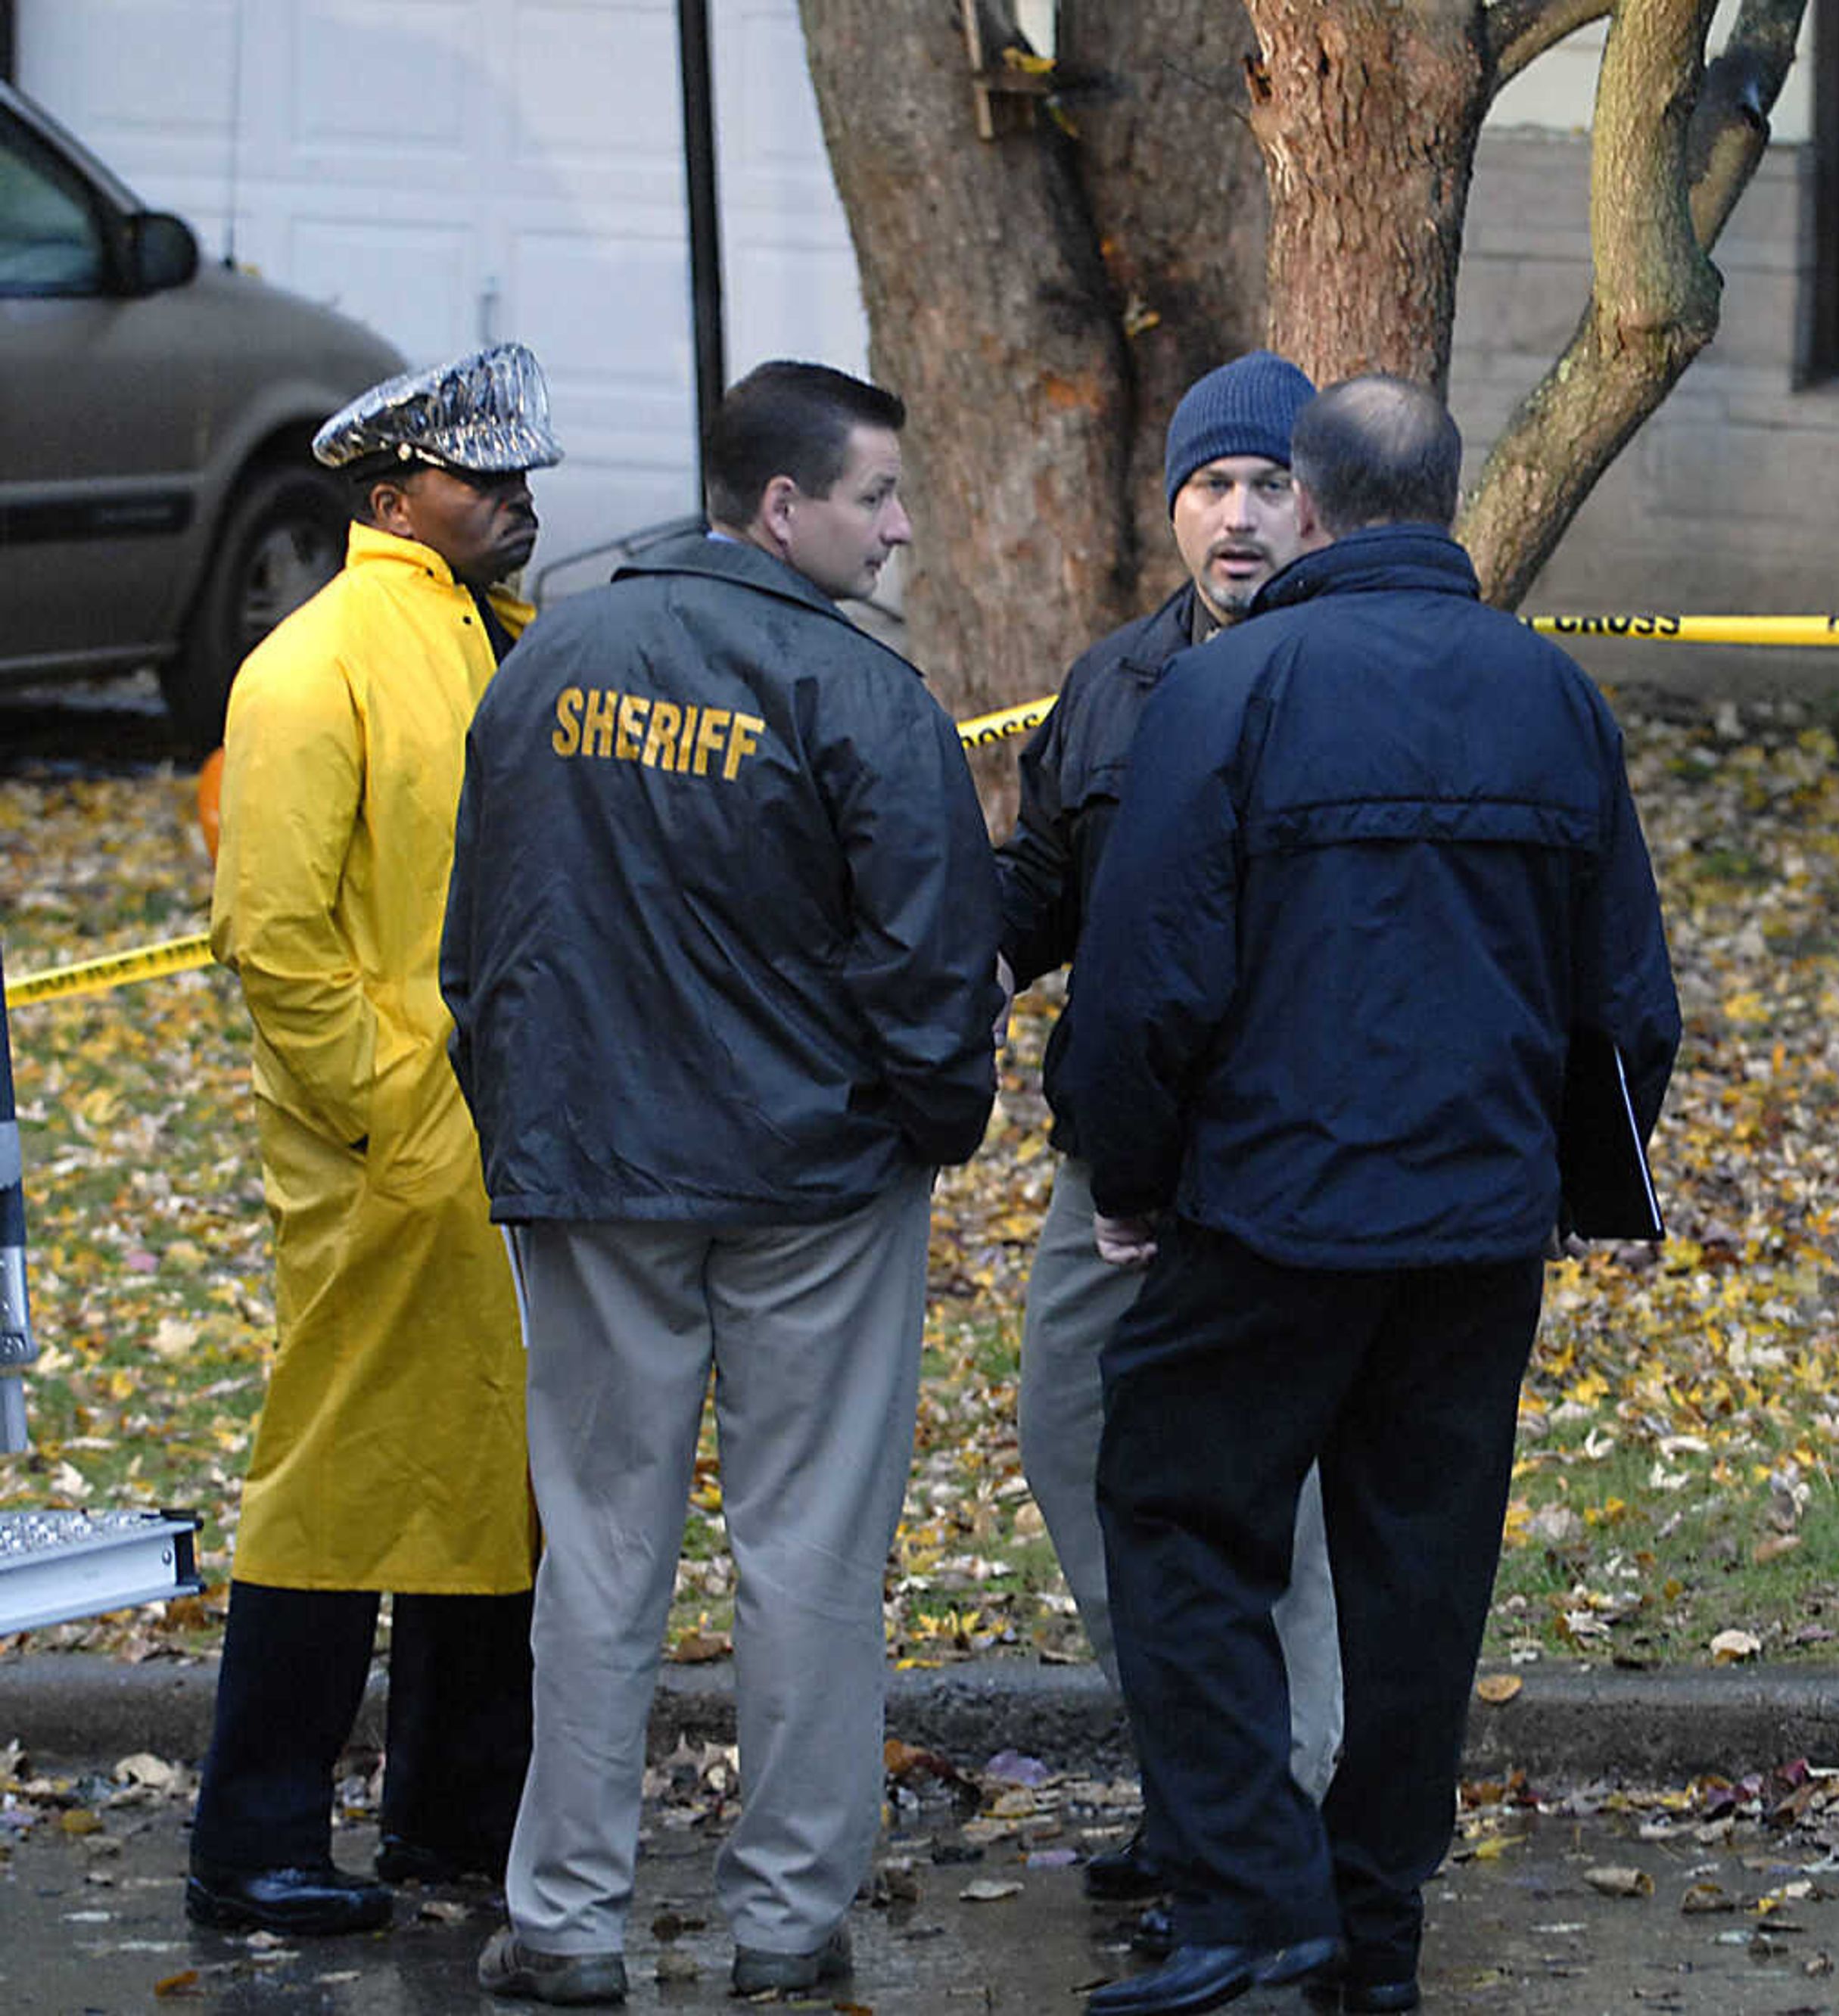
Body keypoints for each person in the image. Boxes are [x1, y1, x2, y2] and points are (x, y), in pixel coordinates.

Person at [1066, 375, 1682, 2016]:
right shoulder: (1553, 698)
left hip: (1268, 1214)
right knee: (1421, 1583)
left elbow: (1140, 985)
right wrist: (1563, 1183)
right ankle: (1368, 1931)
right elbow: (1628, 1002)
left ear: (1315, 506)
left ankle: (1252, 1907)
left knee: (1181, 1525)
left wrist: (1130, 1176)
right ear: (1450, 497)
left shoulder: (1236, 691)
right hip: (1475, 1232)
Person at [439, 360, 1005, 2006]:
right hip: (814, 1185)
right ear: (781, 506)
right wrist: (928, 1124)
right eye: (876, 499)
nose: (899, 531)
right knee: (811, 1552)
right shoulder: (861, 693)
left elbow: (483, 940)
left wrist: (525, 1119)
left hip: (599, 1177)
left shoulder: (549, 664)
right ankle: (785, 1921)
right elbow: (931, 956)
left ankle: (564, 1920)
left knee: (602, 1549)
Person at [188, 341, 560, 1940]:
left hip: (495, 1148)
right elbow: (272, 941)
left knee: (492, 1483)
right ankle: (253, 1840)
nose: (519, 501)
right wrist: (402, 1115)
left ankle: (456, 1826)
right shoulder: (312, 666)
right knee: (338, 1487)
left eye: (524, 475)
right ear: (396, 491)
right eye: (488, 478)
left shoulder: (499, 638)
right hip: (394, 1158)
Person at [994, 350, 1344, 1912]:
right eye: (1212, 485)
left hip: (1281, 1166)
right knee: (1073, 1433)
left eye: (1272, 484)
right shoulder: (1111, 681)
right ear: (1173, 508)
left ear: (1317, 503)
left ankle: (1289, 1803)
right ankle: (1201, 1768)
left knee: (1286, 1491)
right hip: (1112, 1154)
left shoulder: (1356, 674)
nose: (1241, 517)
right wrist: (950, 955)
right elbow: (1043, 891)